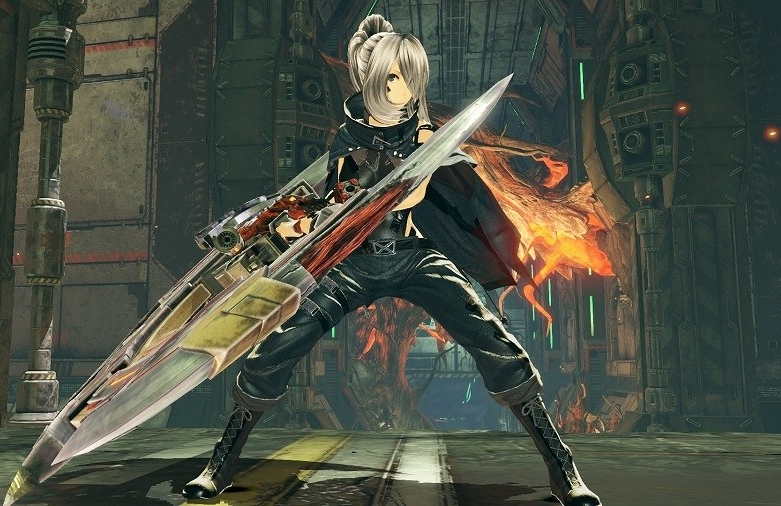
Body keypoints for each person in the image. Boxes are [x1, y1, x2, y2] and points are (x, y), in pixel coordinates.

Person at [183, 14, 601, 506]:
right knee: (278, 344)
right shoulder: (348, 137)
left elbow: (413, 196)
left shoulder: (424, 137)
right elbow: (333, 200)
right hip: (353, 264)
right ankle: (219, 465)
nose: (401, 88)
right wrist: (301, 220)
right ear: (374, 80)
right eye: (393, 77)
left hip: (414, 257)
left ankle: (563, 469)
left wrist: (413, 162)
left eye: (408, 77)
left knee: (493, 338)